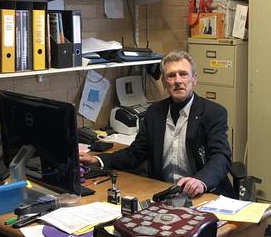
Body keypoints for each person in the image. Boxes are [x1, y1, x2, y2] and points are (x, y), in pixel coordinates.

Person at [80, 50, 234, 198]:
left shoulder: (213, 113)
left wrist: (201, 181)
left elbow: (221, 156)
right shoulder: (155, 112)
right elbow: (135, 154)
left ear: (194, 79)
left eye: (184, 74)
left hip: (204, 194)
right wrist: (98, 160)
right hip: (165, 193)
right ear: (164, 83)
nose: (178, 81)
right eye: (171, 76)